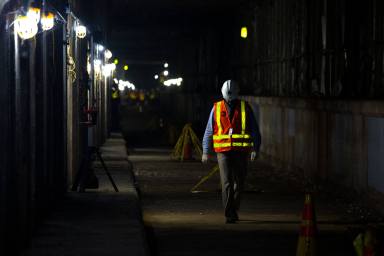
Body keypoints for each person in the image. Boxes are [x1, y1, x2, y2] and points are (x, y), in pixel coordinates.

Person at [202, 80, 261, 224]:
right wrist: (205, 151)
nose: (229, 99)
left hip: (241, 151)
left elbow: (254, 130)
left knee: (239, 182)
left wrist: (255, 148)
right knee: (227, 182)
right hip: (223, 152)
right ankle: (230, 213)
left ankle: (233, 208)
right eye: (227, 96)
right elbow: (209, 130)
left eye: (231, 97)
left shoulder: (244, 107)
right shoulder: (216, 108)